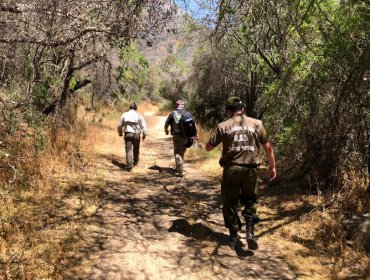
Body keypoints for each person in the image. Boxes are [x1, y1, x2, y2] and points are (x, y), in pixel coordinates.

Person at [205, 96, 276, 250]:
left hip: (231, 170)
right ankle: (250, 232)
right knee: (250, 200)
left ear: (228, 111)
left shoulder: (223, 125)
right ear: (242, 109)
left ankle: (233, 235)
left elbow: (209, 147)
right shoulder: (257, 124)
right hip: (251, 170)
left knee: (230, 203)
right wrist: (272, 167)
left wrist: (209, 143)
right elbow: (268, 148)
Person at [164, 100, 198, 177]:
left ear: (176, 106)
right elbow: (194, 125)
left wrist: (166, 130)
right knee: (182, 152)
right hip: (187, 137)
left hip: (177, 136)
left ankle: (179, 170)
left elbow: (166, 124)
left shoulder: (172, 114)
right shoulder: (188, 114)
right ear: (183, 106)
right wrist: (196, 135)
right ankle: (179, 166)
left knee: (177, 152)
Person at [117, 102, 148, 171]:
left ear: (129, 107)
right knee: (136, 149)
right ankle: (136, 162)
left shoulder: (124, 114)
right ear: (136, 108)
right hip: (136, 135)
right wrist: (144, 134)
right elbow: (143, 126)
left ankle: (129, 165)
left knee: (128, 150)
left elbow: (119, 125)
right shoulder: (139, 115)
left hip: (128, 134)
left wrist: (120, 132)